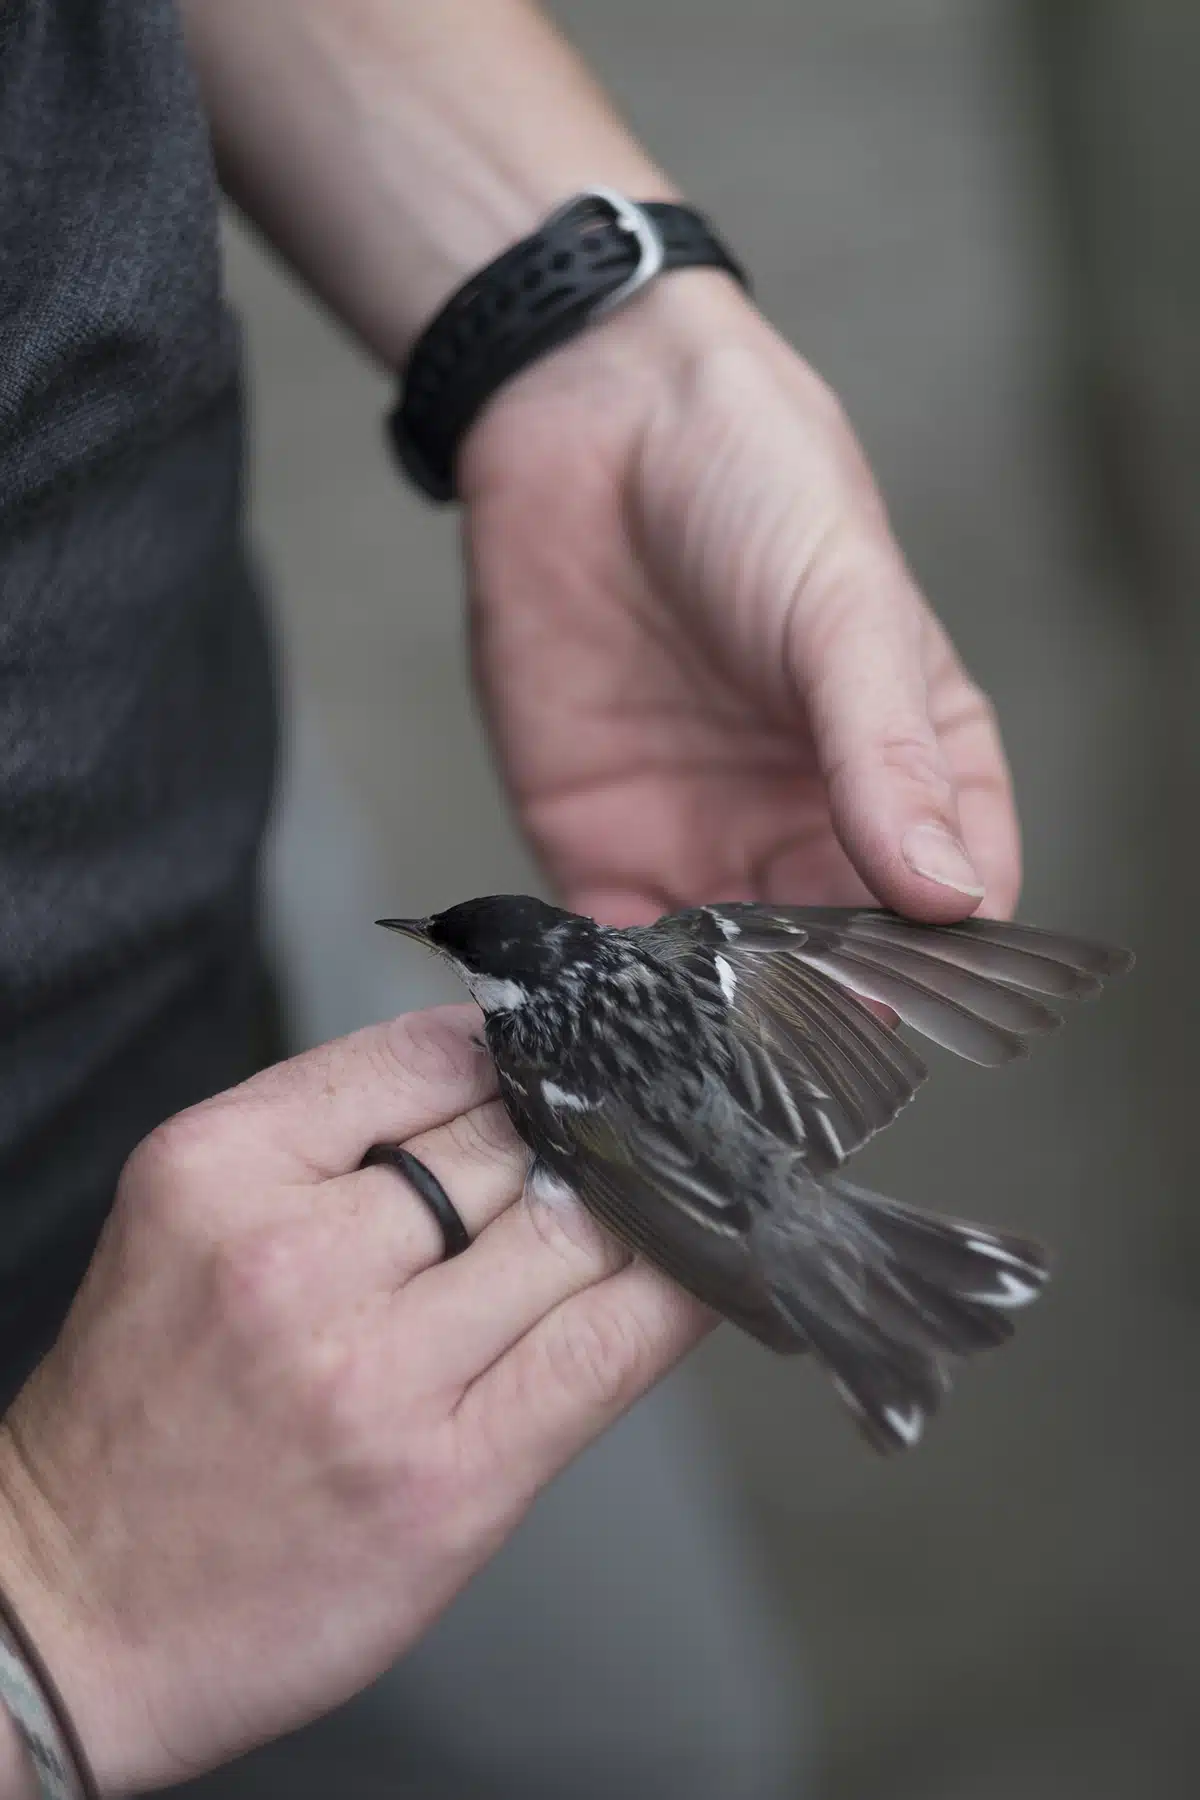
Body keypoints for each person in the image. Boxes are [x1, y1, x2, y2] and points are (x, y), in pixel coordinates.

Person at [0, 0, 1021, 1793]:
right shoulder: (667, 969)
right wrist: (56, 1615)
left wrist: (604, 335)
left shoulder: (581, 1010)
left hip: (175, 878)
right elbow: (640, 1129)